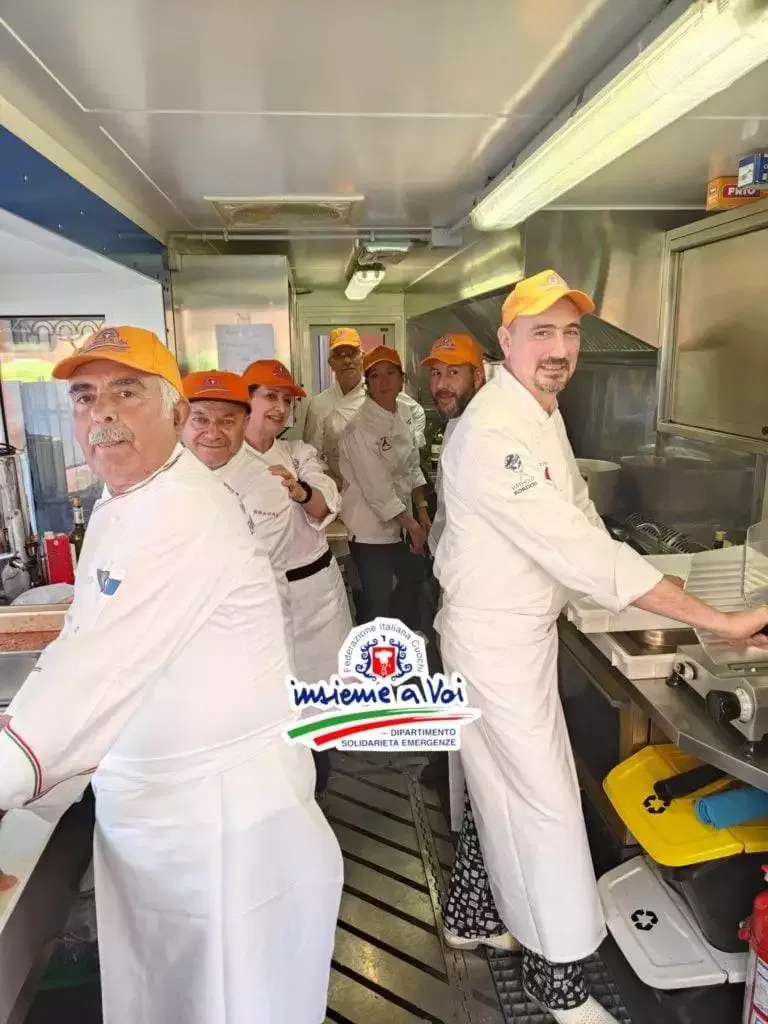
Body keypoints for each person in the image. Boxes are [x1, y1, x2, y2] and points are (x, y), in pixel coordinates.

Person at [433, 271, 768, 1024]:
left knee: (504, 793)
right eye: (542, 332)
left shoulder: (538, 409)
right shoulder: (493, 432)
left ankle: (475, 916)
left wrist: (621, 581)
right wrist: (715, 619)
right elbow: (581, 551)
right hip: (494, 643)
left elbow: (579, 517)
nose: (559, 348)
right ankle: (563, 987)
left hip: (515, 631)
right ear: (507, 340)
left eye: (571, 333)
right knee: (546, 809)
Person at [0, 326, 343, 1024]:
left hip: (219, 830)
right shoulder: (121, 502)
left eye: (127, 392)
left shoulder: (182, 511)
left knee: (224, 1001)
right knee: (167, 996)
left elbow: (84, 685)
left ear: (175, 415)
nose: (103, 414)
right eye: (86, 396)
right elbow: (79, 644)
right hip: (161, 821)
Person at [181, 363, 353, 800]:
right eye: (269, 397)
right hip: (263, 599)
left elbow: (326, 503)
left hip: (317, 591)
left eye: (288, 399)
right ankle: (286, 792)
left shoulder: (297, 453)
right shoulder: (209, 466)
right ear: (248, 403)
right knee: (272, 703)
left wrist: (298, 490)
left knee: (322, 699)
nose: (280, 407)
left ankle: (319, 788)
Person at [418, 333, 513, 952]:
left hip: (477, 609)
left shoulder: (485, 427)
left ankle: (480, 906)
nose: (443, 384)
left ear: (481, 373)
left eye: (455, 372)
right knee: (483, 766)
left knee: (482, 765)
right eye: (436, 374)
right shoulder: (467, 428)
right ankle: (475, 909)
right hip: (472, 611)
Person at [338, 345, 430, 631]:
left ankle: (400, 652)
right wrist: (413, 526)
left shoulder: (400, 414)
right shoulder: (359, 429)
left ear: (402, 379)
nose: (385, 381)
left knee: (410, 583)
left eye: (391, 373)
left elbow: (411, 465)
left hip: (400, 523)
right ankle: (372, 668)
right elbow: (377, 490)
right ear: (367, 383)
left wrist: (423, 510)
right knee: (377, 600)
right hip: (369, 531)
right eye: (376, 375)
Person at [303, 326, 426, 484]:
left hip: (384, 483)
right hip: (343, 488)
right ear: (330, 363)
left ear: (362, 357)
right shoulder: (319, 405)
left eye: (352, 353)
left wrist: (412, 442)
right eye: (339, 355)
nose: (347, 360)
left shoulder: (380, 391)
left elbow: (417, 411)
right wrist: (333, 481)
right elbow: (311, 455)